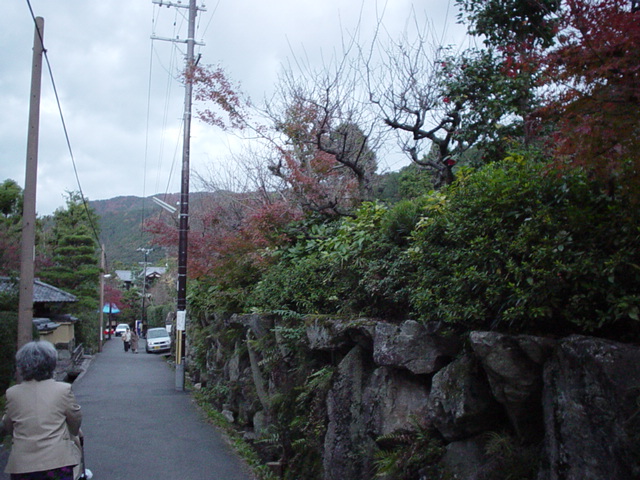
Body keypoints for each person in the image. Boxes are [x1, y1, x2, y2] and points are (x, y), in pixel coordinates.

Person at [1, 340, 82, 480]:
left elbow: (8, 425)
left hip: (23, 464)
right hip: (57, 460)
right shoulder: (62, 390)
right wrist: (73, 432)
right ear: (51, 364)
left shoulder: (13, 393)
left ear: (21, 365)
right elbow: (75, 419)